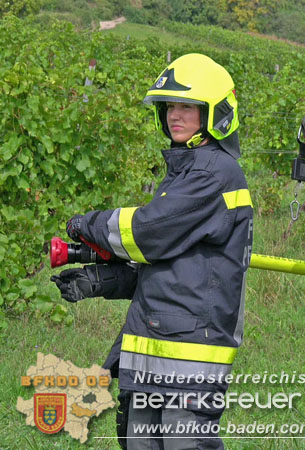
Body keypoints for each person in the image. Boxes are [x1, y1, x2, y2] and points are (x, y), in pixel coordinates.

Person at [50, 53, 253, 449]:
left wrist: (87, 225)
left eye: (187, 107)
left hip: (189, 358)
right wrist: (100, 280)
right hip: (154, 348)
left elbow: (146, 233)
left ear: (216, 113)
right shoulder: (186, 170)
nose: (175, 115)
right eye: (170, 106)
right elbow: (172, 267)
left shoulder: (214, 173)